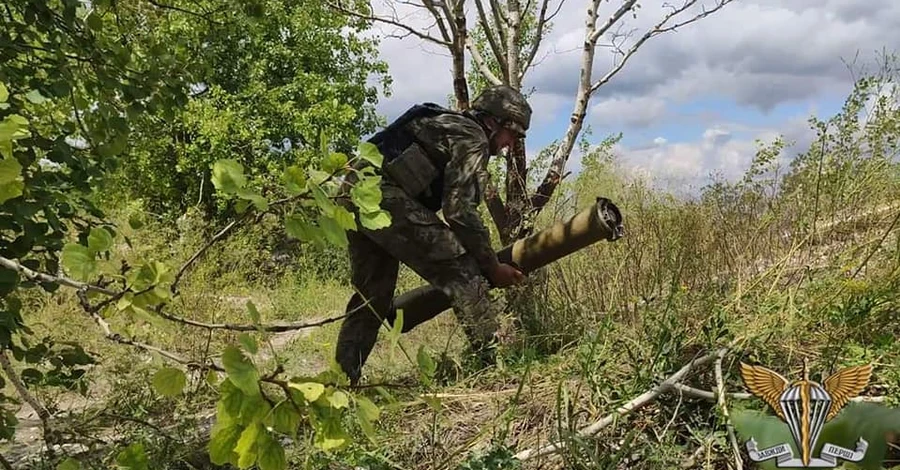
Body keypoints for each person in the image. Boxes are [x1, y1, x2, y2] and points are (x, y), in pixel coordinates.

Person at [334, 85, 533, 385]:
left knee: (372, 296)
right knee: (464, 269)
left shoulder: (448, 123)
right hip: (383, 197)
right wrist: (492, 266)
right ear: (494, 123)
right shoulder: (474, 137)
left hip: (353, 195)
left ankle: (340, 384)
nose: (509, 145)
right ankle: (496, 369)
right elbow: (459, 211)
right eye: (512, 135)